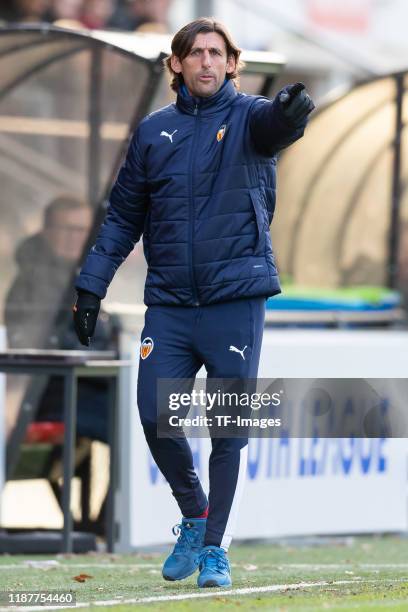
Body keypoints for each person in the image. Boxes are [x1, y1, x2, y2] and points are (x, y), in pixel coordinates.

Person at [73, 18, 314, 587]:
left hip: (236, 298)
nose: (206, 62)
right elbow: (124, 217)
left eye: (216, 53)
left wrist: (292, 108)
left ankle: (214, 551)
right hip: (171, 304)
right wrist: (91, 286)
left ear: (233, 63)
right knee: (155, 416)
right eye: (194, 53)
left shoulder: (252, 118)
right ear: (175, 65)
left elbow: (279, 125)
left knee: (228, 428)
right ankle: (196, 514)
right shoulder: (154, 132)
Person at [5, 195, 119, 442]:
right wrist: (107, 343)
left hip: (80, 385)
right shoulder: (39, 279)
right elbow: (46, 340)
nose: (77, 237)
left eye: (83, 230)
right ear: (47, 231)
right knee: (138, 415)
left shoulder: (71, 274)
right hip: (53, 392)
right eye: (68, 229)